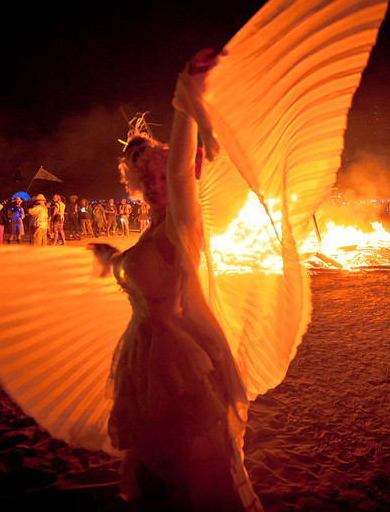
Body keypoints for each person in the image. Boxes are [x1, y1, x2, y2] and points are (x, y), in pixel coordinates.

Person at [88, 50, 263, 510]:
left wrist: (188, 94)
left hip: (175, 360)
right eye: (144, 174)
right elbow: (148, 270)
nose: (152, 179)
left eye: (158, 171)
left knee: (188, 468)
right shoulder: (153, 229)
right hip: (145, 357)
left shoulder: (181, 222)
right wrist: (115, 258)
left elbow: (183, 170)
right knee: (154, 472)